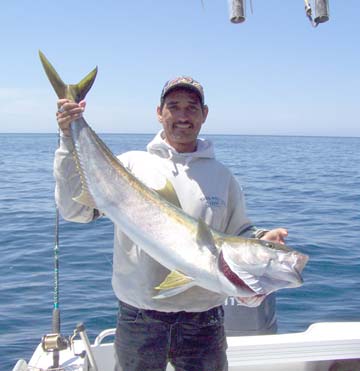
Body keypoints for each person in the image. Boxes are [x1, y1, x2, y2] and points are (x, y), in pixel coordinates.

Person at [54, 76, 288, 371]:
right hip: (140, 317)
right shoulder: (131, 165)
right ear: (158, 112)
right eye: (173, 106)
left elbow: (237, 232)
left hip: (205, 318)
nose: (182, 115)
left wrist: (264, 239)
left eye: (191, 107)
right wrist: (67, 137)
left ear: (204, 114)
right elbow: (76, 211)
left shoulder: (222, 176)